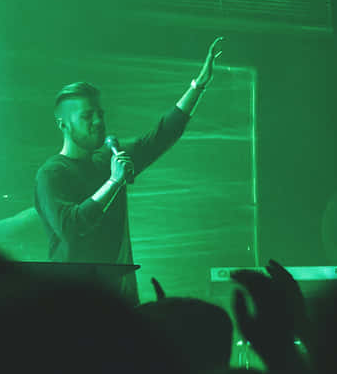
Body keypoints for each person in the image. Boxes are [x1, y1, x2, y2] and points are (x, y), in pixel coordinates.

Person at [33, 38, 225, 298]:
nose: (98, 121)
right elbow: (71, 227)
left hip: (119, 297)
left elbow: (160, 136)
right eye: (87, 116)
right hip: (73, 302)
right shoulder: (52, 173)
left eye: (100, 114)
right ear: (63, 124)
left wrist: (198, 86)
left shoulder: (109, 157)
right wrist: (113, 182)